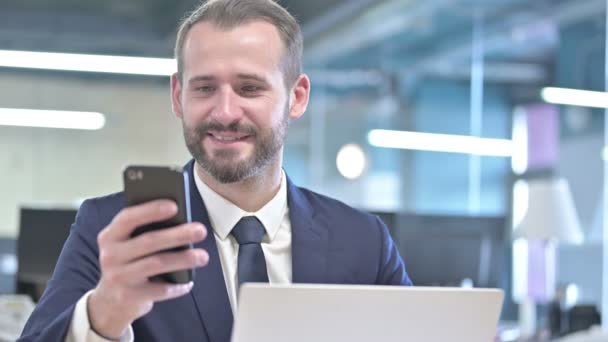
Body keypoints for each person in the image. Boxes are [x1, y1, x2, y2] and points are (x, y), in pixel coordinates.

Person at [19, 0, 411, 341]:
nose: (224, 112)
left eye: (249, 88)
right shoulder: (111, 229)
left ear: (297, 97)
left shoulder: (364, 243)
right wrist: (102, 317)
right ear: (178, 95)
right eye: (204, 88)